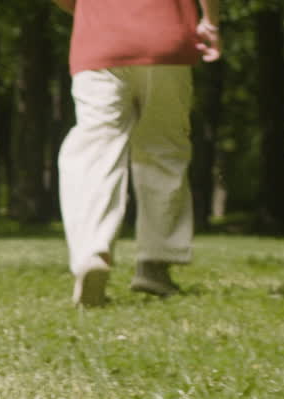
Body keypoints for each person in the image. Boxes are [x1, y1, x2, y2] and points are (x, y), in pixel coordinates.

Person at [53, 0, 221, 306]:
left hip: (99, 41)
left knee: (95, 148)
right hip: (166, 38)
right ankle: (155, 265)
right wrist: (210, 21)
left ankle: (92, 251)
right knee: (163, 151)